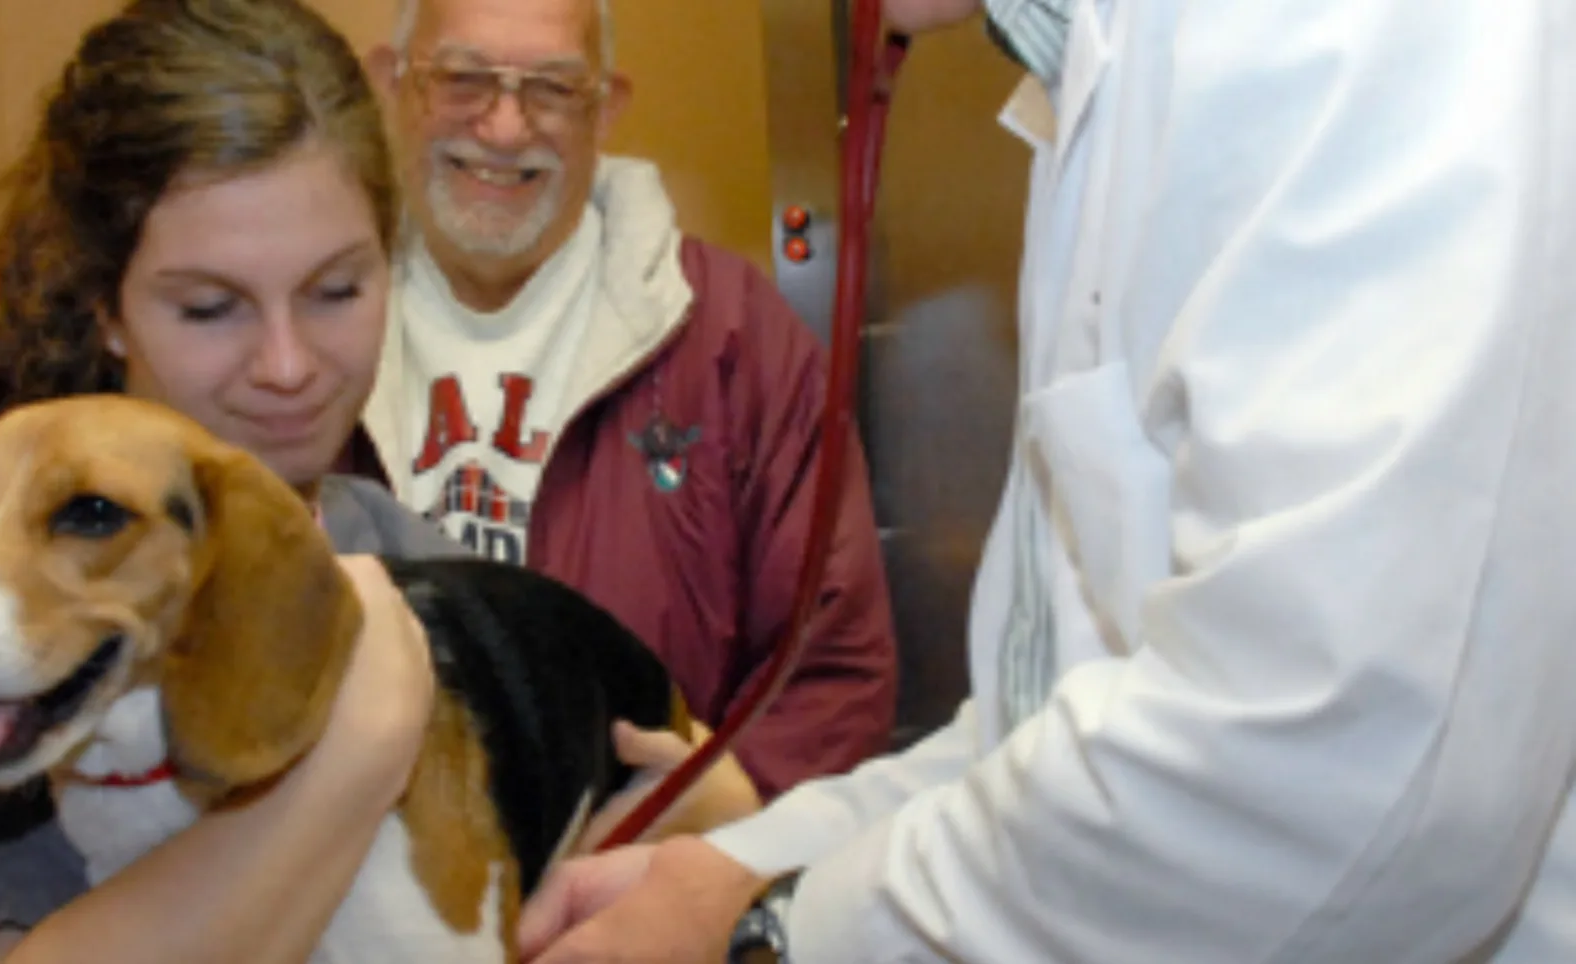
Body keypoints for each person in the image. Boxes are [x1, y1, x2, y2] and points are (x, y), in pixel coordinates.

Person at [516, 0, 1576, 961]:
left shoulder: (1355, 29)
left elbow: (1345, 769)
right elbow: (1053, 716)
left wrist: (776, 928)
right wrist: (738, 864)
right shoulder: (1093, 83)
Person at [0, 2, 758, 961]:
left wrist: (730, 840)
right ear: (102, 307)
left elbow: (658, 820)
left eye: (337, 290)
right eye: (209, 307)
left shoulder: (410, 558)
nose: (288, 365)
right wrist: (357, 753)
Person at [354, 0, 899, 799]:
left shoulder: (731, 337)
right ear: (392, 83)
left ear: (606, 108)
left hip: (643, 881)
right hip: (348, 882)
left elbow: (833, 666)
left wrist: (721, 805)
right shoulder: (305, 327)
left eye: (552, 88)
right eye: (464, 79)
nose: (505, 129)